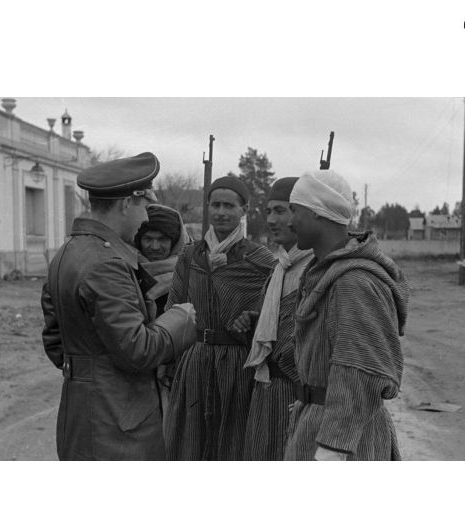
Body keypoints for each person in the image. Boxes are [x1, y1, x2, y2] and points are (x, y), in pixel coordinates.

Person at [41, 152, 197, 461]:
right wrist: (183, 317)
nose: (144, 218)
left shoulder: (67, 252)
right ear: (127, 203)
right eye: (142, 206)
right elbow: (137, 351)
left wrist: (88, 370)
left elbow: (55, 339)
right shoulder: (105, 263)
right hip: (118, 425)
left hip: (82, 413)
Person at [283, 170, 409, 461]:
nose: (290, 222)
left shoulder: (353, 283)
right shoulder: (326, 273)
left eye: (295, 210)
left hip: (345, 441)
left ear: (318, 213)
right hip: (318, 423)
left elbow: (360, 369)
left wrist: (333, 449)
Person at [164, 175, 276, 460]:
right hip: (195, 362)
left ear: (244, 211)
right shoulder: (190, 256)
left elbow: (275, 309)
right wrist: (171, 364)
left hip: (238, 366)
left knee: (233, 444)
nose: (221, 212)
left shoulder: (260, 259)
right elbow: (174, 309)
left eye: (230, 205)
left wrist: (251, 319)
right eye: (215, 205)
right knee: (190, 442)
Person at [232, 177, 313, 460]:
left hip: (296, 398)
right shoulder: (279, 268)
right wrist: (252, 324)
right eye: (268, 211)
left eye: (281, 211)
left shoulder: (316, 270)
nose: (271, 219)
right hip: (266, 394)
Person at [134, 204, 192, 316]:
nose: (155, 246)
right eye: (148, 239)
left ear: (176, 242)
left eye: (163, 239)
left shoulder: (193, 276)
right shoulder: (124, 270)